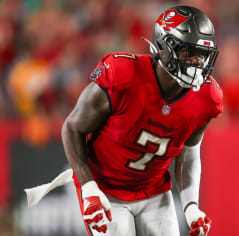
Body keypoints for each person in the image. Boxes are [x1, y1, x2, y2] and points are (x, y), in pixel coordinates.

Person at [27, 6, 222, 236]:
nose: (196, 63)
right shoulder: (123, 74)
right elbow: (72, 128)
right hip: (106, 188)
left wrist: (190, 207)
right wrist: (89, 188)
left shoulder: (207, 97)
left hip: (155, 191)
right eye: (187, 52)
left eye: (201, 54)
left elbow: (189, 154)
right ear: (163, 47)